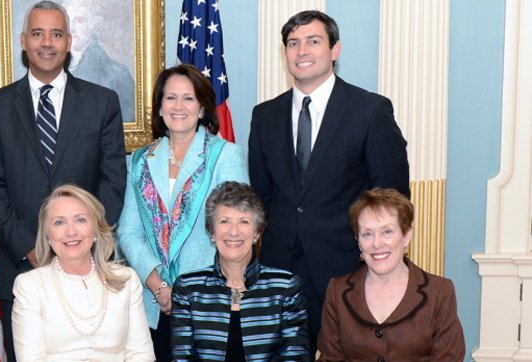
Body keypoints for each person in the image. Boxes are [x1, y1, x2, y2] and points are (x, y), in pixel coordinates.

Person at [247, 10, 409, 351]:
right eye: (293, 43)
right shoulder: (264, 116)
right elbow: (263, 198)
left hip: (348, 272)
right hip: (279, 275)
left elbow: (391, 200)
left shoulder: (370, 111)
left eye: (313, 41)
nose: (302, 51)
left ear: (335, 50)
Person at [0, 1, 127, 359]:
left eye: (56, 34)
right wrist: (32, 248)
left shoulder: (101, 102)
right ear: (23, 40)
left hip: (87, 270)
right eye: (38, 33)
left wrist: (80, 245)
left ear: (69, 41)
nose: (47, 42)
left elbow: (113, 181)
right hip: (21, 270)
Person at [117, 63, 248, 360]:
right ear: (160, 108)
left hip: (212, 303)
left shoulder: (224, 155)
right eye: (170, 98)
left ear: (202, 107)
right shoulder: (139, 161)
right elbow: (128, 232)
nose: (179, 106)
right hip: (154, 304)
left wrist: (187, 293)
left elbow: (236, 233)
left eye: (188, 98)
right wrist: (161, 288)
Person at [317, 188, 465, 360]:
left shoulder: (439, 291)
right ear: (358, 241)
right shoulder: (338, 291)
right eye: (367, 234)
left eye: (387, 231)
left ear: (407, 235)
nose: (377, 243)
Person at [12, 185, 154, 361]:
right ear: (47, 235)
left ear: (96, 229)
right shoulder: (29, 286)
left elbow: (141, 354)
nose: (71, 232)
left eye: (80, 220)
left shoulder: (127, 279)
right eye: (59, 222)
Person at [171, 181, 310, 360]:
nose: (233, 232)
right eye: (224, 221)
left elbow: (294, 357)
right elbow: (182, 358)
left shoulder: (285, 287)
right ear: (212, 232)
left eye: (243, 221)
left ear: (257, 233)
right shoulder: (188, 289)